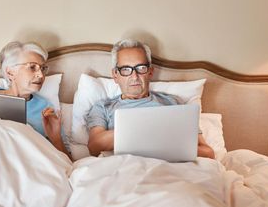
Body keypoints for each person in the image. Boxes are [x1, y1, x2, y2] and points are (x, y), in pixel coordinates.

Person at [85, 39, 215, 159]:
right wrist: (147, 130)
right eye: (125, 69)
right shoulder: (103, 107)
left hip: (170, 168)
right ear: (115, 75)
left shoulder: (174, 104)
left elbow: (207, 152)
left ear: (150, 71)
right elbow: (94, 147)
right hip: (124, 168)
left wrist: (167, 146)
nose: (134, 76)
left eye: (141, 68)